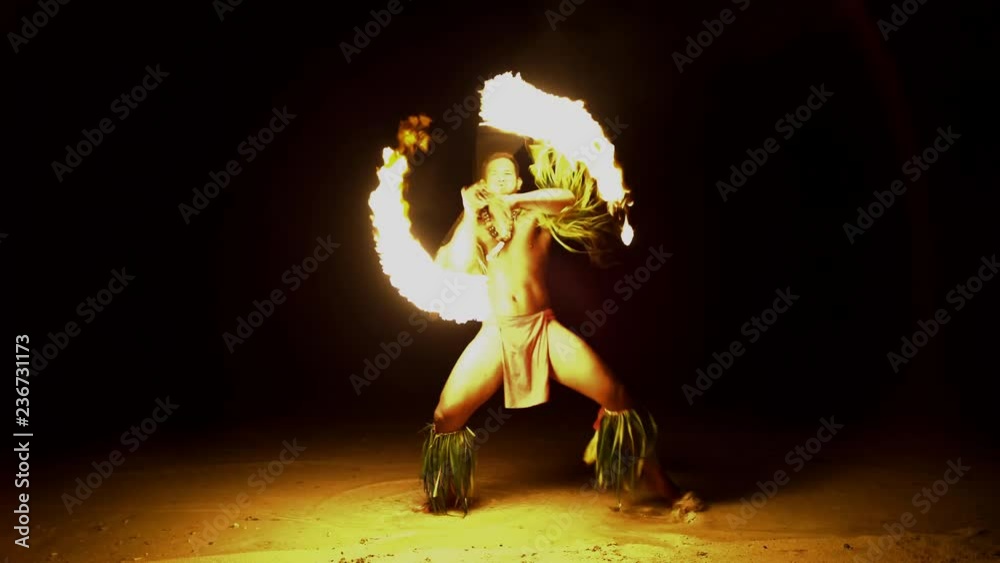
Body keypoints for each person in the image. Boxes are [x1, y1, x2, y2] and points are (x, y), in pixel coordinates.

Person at [421, 147, 701, 517]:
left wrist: (515, 199)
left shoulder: (536, 214)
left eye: (510, 173)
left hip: (543, 329)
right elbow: (454, 266)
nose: (503, 178)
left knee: (617, 395)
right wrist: (471, 213)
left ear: (519, 181)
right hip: (497, 334)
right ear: (483, 183)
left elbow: (565, 199)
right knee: (446, 415)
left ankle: (664, 487)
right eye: (495, 174)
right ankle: (446, 495)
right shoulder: (478, 225)